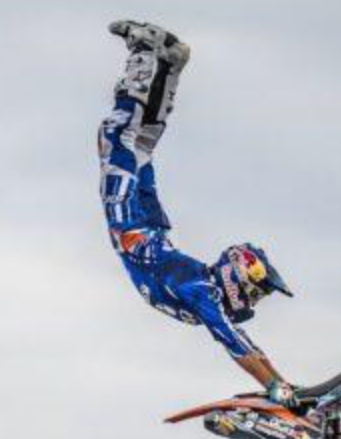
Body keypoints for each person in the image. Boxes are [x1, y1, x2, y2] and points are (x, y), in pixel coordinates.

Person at [98, 20, 296, 405]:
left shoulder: (206, 290)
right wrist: (277, 387)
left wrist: (283, 385)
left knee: (139, 144)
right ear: (237, 275)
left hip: (143, 228)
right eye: (254, 291)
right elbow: (233, 340)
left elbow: (243, 341)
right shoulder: (202, 291)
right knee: (119, 136)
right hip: (132, 224)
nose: (253, 301)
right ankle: (146, 52)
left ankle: (170, 63)